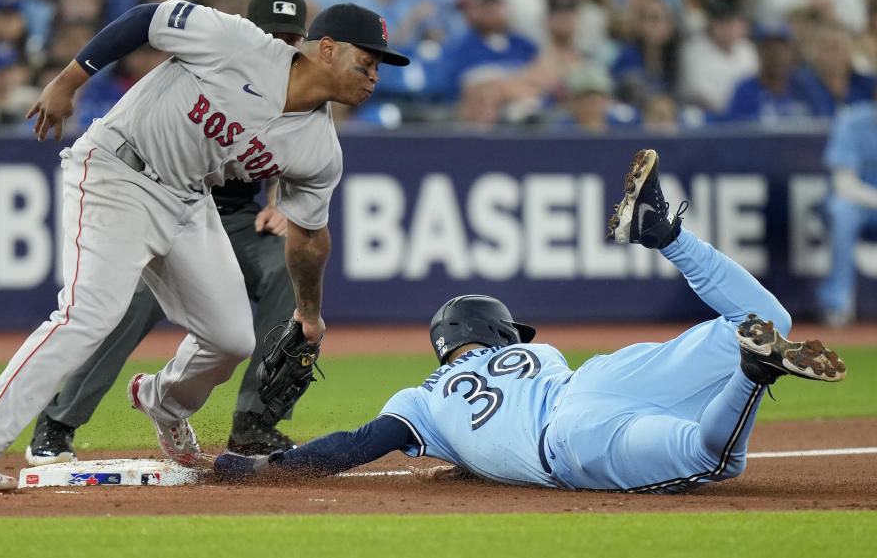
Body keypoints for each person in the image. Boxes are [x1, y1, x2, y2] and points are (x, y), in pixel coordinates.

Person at [0, 0, 409, 492]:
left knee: (231, 338)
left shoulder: (319, 150)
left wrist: (308, 316)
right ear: (328, 48)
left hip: (187, 199)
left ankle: (163, 402)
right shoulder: (239, 43)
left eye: (380, 65)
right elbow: (147, 18)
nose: (375, 74)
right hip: (118, 169)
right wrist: (68, 81)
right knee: (88, 315)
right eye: (368, 59)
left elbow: (310, 240)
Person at [215, 149, 846, 492]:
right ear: (496, 334)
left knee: (712, 459)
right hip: (594, 380)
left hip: (569, 446)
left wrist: (266, 467)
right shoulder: (536, 357)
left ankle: (751, 373)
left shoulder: (422, 402)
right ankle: (669, 236)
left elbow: (352, 449)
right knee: (761, 316)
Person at [24, 0, 316, 467]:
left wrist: (285, 201)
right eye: (272, 34)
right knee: (126, 302)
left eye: (290, 38)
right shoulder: (218, 48)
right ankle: (60, 420)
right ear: (246, 26)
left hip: (238, 222)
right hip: (165, 202)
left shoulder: (299, 88)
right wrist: (69, 79)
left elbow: (304, 158)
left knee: (290, 271)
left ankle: (253, 422)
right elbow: (144, 20)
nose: (280, 45)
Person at [817, 100, 877, 328]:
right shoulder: (851, 121)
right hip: (857, 204)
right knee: (842, 210)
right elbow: (844, 185)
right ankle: (837, 303)